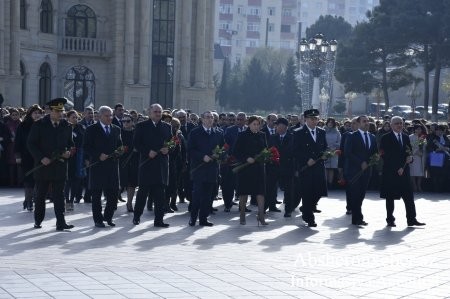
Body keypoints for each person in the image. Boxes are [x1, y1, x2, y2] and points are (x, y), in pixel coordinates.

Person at [27, 98, 75, 231]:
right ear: (50, 111)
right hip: (44, 166)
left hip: (60, 166)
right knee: (41, 195)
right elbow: (31, 144)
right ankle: (38, 220)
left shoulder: (66, 125)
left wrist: (68, 152)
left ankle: (61, 222)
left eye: (62, 111)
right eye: (58, 111)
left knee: (60, 195)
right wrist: (41, 158)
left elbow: (71, 144)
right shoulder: (39, 124)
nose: (61, 114)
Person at [379, 116, 425, 227]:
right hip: (391, 172)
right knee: (390, 197)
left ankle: (411, 219)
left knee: (409, 196)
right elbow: (386, 156)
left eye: (401, 123)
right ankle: (390, 219)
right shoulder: (385, 138)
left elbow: (408, 152)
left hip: (404, 172)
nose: (399, 125)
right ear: (391, 125)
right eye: (396, 123)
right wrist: (397, 167)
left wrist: (411, 158)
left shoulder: (405, 137)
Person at [133, 104, 172, 228]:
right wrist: (147, 151)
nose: (158, 114)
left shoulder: (167, 126)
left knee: (160, 194)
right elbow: (136, 144)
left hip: (161, 165)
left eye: (160, 112)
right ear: (149, 112)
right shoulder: (141, 126)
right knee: (142, 193)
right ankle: (136, 216)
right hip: (147, 164)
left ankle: (159, 220)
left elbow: (170, 143)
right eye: (155, 111)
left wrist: (168, 149)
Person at [83, 106, 122, 227]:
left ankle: (108, 217)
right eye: (107, 115)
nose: (110, 118)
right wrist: (98, 155)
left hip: (112, 166)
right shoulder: (91, 129)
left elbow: (119, 145)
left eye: (111, 115)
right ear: (99, 116)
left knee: (113, 194)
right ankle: (98, 220)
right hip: (98, 166)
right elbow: (86, 147)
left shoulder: (116, 129)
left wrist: (119, 152)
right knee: (96, 195)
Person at [188, 111, 224, 226]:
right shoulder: (195, 132)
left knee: (208, 196)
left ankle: (203, 218)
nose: (209, 119)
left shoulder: (218, 133)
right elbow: (190, 149)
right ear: (202, 119)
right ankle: (193, 218)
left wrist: (219, 155)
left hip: (212, 169)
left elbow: (223, 148)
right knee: (197, 195)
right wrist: (202, 156)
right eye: (207, 117)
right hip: (199, 168)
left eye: (211, 118)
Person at [292, 109, 327, 227]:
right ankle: (309, 217)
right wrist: (306, 159)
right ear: (306, 119)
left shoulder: (322, 132)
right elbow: (295, 151)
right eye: (311, 118)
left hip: (318, 167)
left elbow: (324, 148)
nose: (314, 121)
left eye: (316, 118)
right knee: (307, 193)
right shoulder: (298, 132)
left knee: (318, 192)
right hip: (306, 168)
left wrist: (325, 155)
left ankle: (306, 208)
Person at [233, 115, 268, 226]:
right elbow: (236, 152)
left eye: (258, 124)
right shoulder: (242, 135)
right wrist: (246, 158)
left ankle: (261, 216)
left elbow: (265, 149)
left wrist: (265, 157)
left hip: (258, 168)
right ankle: (242, 215)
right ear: (249, 124)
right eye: (254, 124)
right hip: (245, 168)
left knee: (260, 193)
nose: (256, 127)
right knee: (244, 193)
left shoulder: (262, 135)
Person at [344, 115, 378, 226]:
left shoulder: (372, 137)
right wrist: (360, 162)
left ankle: (357, 217)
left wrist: (375, 159)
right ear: (358, 123)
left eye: (368, 121)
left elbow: (374, 152)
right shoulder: (352, 136)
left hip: (367, 171)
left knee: (361, 194)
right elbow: (348, 152)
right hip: (354, 171)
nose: (367, 123)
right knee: (355, 193)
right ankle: (357, 218)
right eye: (364, 121)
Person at [14, 105, 43, 211]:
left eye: (39, 113)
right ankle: (29, 200)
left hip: (40, 157)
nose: (37, 115)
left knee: (38, 179)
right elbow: (17, 142)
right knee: (28, 180)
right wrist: (17, 155)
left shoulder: (43, 125)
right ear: (30, 114)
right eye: (35, 113)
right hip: (26, 156)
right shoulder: (23, 125)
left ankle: (32, 199)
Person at [267, 117, 294, 217]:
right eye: (277, 126)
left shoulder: (292, 137)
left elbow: (294, 152)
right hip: (274, 166)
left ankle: (288, 210)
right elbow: (269, 149)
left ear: (285, 127)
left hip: (287, 166)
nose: (278, 128)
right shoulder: (272, 137)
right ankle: (269, 206)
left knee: (288, 190)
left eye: (281, 126)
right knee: (270, 188)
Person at [64, 110, 86, 211]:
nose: (75, 119)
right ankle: (67, 200)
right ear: (68, 118)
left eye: (76, 117)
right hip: (67, 156)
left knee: (76, 180)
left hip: (78, 156)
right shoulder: (64, 127)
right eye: (73, 117)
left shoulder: (81, 127)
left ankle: (72, 200)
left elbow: (84, 142)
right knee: (67, 179)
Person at [119, 114, 139, 212]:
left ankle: (129, 203)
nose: (125, 123)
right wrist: (120, 150)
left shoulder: (137, 132)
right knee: (120, 183)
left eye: (127, 121)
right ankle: (113, 201)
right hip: (121, 160)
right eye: (123, 121)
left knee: (132, 183)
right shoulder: (119, 132)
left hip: (134, 160)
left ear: (132, 122)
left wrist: (138, 148)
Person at [409, 124, 427, 192]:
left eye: (420, 129)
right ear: (414, 129)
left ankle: (419, 185)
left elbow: (425, 146)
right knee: (412, 172)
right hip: (413, 156)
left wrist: (422, 151)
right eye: (417, 129)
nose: (419, 130)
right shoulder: (410, 137)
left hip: (421, 157)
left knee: (420, 172)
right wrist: (415, 152)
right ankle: (414, 186)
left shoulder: (423, 137)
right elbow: (409, 147)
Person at [324, 118, 341, 188]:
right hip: (325, 151)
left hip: (334, 152)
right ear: (327, 123)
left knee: (331, 168)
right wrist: (326, 147)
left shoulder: (337, 132)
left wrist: (334, 148)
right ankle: (324, 184)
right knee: (325, 168)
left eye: (332, 122)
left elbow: (339, 142)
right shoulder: (323, 131)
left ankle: (330, 184)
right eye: (329, 122)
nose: (330, 123)